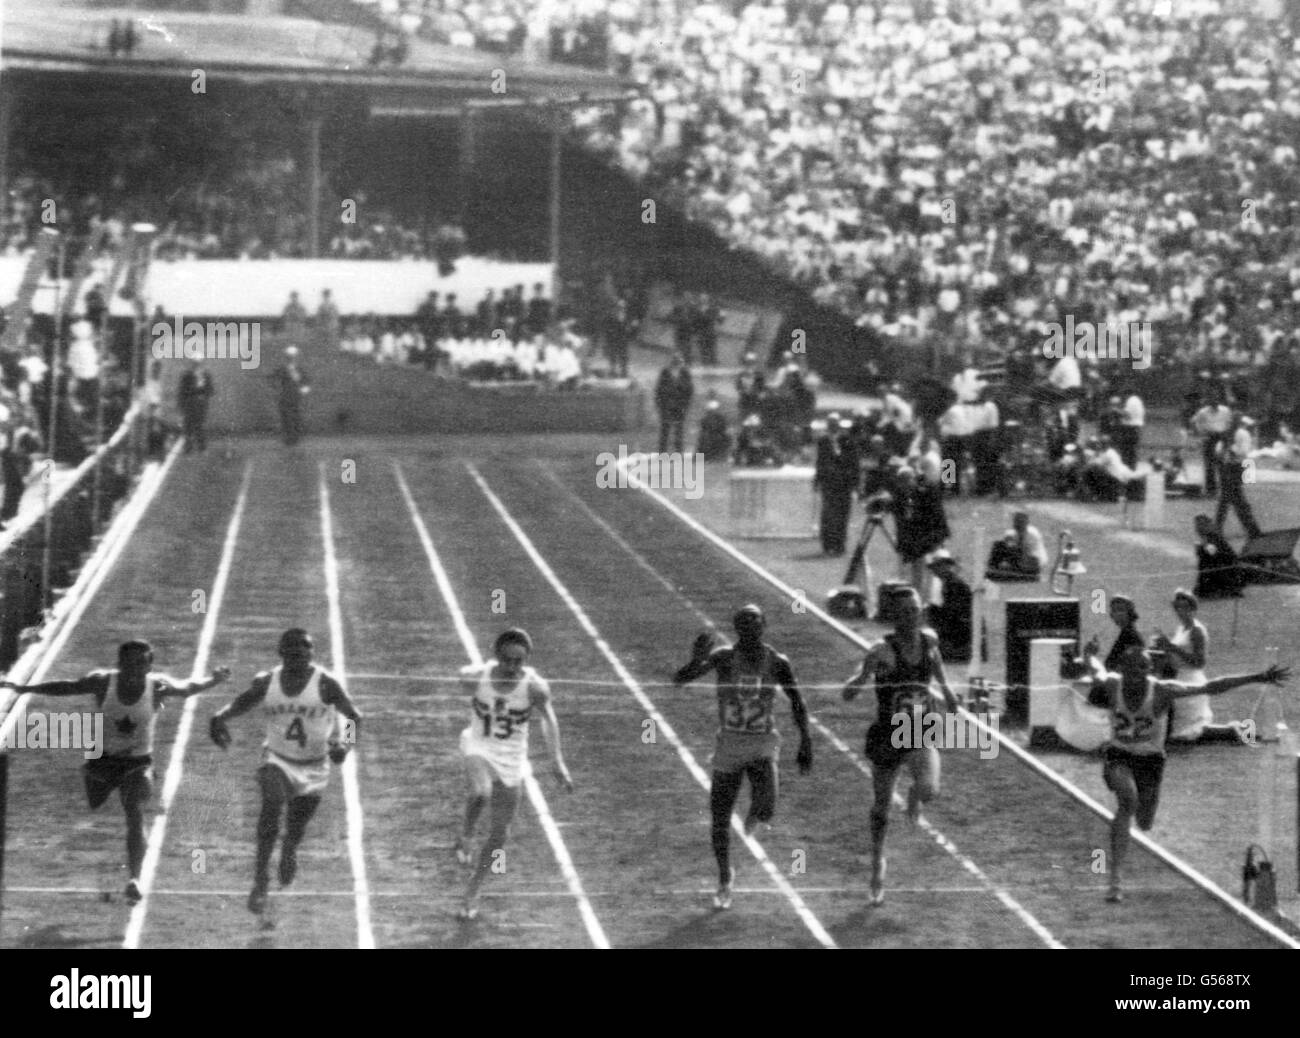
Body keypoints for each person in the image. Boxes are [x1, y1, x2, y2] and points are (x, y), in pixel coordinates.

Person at [1, 641, 231, 904]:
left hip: (138, 762)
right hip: (101, 760)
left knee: (134, 810)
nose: (135, 668)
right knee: (95, 800)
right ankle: (96, 779)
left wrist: (214, 680)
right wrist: (24, 688)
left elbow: (188, 688)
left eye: (141, 663)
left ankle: (135, 878)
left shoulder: (156, 687)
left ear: (149, 666)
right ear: (119, 664)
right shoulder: (102, 682)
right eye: (129, 663)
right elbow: (67, 687)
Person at [1083, 645, 1288, 902]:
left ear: (1150, 670)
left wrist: (1258, 677)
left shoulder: (1162, 690)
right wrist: (1089, 653)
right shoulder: (1113, 685)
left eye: (1141, 668)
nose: (1135, 673)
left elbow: (1211, 687)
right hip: (1119, 755)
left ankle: (1120, 861)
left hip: (1150, 761)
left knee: (1145, 822)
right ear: (1122, 670)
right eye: (1129, 668)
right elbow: (1096, 670)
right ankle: (1115, 880)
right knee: (1127, 800)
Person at [208, 628, 362, 914]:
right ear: (281, 654)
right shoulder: (269, 681)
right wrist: (221, 716)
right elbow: (244, 700)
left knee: (295, 829)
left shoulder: (326, 684)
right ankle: (260, 880)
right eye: (292, 655)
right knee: (272, 804)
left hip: (314, 767)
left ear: (311, 655)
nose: (299, 660)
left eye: (304, 655)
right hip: (277, 759)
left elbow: (354, 716)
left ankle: (289, 850)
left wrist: (346, 745)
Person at [673, 605, 812, 910]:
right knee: (719, 817)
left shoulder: (777, 662)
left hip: (762, 742)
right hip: (730, 745)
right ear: (737, 628)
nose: (750, 628)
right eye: (743, 623)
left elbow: (798, 701)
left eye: (755, 622)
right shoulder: (723, 657)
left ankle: (754, 814)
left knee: (767, 807)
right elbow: (680, 679)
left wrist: (806, 741)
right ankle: (725, 877)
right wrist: (695, 660)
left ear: (764, 625)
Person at [841, 587, 960, 905]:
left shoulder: (930, 641)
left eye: (915, 610)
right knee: (881, 807)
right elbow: (857, 682)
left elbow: (936, 666)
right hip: (889, 733)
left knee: (929, 789)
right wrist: (856, 683)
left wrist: (947, 691)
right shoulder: (882, 649)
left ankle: (914, 795)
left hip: (920, 729)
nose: (910, 616)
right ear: (893, 615)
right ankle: (878, 861)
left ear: (922, 611)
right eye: (904, 611)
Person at [453, 628, 573, 920]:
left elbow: (549, 719)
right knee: (481, 792)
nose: (511, 667)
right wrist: (483, 668)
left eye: (518, 661)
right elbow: (462, 673)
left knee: (500, 837)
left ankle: (473, 891)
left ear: (527, 660)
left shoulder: (535, 688)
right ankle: (465, 836)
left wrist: (556, 761)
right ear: (496, 656)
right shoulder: (477, 677)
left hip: (512, 760)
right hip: (479, 746)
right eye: (506, 659)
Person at [1152, 590, 1252, 745]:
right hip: (1179, 676)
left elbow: (1199, 662)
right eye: (1177, 607)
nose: (1181, 611)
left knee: (1190, 729)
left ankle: (1232, 731)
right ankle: (1231, 730)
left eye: (1185, 607)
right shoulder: (1182, 628)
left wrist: (1171, 647)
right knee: (1184, 727)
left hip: (1191, 678)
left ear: (1193, 609)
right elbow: (1177, 653)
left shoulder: (1197, 631)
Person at [813, 418, 859, 556]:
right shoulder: (823, 441)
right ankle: (828, 544)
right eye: (830, 425)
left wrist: (855, 482)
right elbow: (820, 461)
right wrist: (817, 480)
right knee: (828, 515)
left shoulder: (847, 440)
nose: (832, 427)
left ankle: (839, 544)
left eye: (834, 425)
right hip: (829, 483)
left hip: (844, 484)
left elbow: (854, 461)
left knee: (842, 515)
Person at [1215, 416, 1263, 540]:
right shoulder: (1225, 435)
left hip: (1237, 466)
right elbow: (1218, 450)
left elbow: (1244, 451)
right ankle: (1251, 529)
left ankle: (1251, 529)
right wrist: (1222, 449)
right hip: (1225, 467)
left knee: (1231, 498)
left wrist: (1231, 447)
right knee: (1230, 499)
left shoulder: (1243, 434)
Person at [925, 550, 973, 663]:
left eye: (937, 567)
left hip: (961, 630)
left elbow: (954, 612)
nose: (934, 571)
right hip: (956, 626)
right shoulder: (948, 582)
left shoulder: (955, 584)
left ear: (945, 566)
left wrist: (934, 613)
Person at [1193, 513, 1244, 598]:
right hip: (1220, 575)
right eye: (1197, 526)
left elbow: (1215, 555)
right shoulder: (1209, 538)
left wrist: (1203, 549)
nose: (1197, 529)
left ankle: (1220, 588)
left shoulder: (1213, 539)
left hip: (1225, 576)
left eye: (1201, 525)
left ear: (1208, 525)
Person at [988, 510, 1048, 579]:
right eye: (1016, 521)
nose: (1018, 524)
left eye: (1021, 521)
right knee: (998, 545)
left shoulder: (1033, 534)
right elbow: (1008, 549)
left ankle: (1020, 571)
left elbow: (1032, 556)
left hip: (1035, 563)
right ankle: (993, 569)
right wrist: (1007, 543)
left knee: (1021, 552)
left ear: (1026, 522)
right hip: (1023, 561)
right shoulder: (1011, 534)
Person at [654, 352, 693, 454]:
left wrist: (685, 404)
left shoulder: (685, 373)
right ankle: (662, 452)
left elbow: (689, 390)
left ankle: (678, 451)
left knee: (678, 431)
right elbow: (659, 391)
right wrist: (661, 405)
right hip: (666, 406)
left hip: (679, 406)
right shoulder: (665, 372)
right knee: (665, 430)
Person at [272, 347, 310, 446]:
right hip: (285, 396)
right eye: (289, 357)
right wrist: (277, 389)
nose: (291, 359)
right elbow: (273, 379)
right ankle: (288, 438)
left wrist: (304, 390)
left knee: (295, 418)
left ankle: (295, 438)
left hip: (296, 397)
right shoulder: (282, 369)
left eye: (292, 357)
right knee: (286, 418)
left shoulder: (299, 370)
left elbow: (306, 381)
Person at [177, 360, 214, 453]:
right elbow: (182, 391)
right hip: (190, 403)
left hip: (200, 404)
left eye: (198, 363)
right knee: (188, 426)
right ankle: (188, 446)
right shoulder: (187, 376)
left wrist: (203, 393)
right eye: (195, 363)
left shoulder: (205, 375)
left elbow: (210, 390)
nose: (196, 365)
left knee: (199, 425)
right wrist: (182, 404)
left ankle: (201, 446)